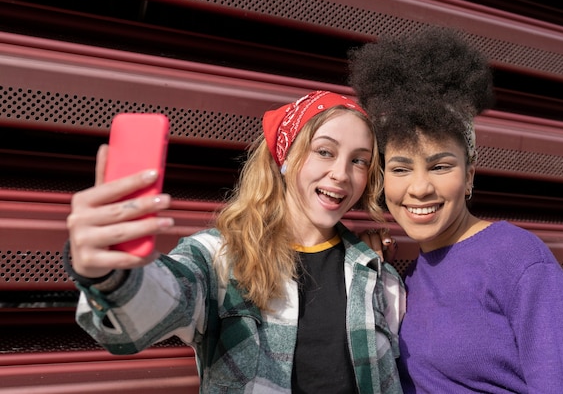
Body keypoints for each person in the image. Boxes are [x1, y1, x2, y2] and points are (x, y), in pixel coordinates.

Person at [64, 90, 406, 393]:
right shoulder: (218, 258)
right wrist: (109, 274)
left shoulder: (379, 277)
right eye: (324, 151)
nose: (341, 174)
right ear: (284, 159)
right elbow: (141, 319)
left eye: (358, 160)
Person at [348, 28, 563, 393]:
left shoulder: (519, 261)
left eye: (440, 166)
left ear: (469, 174)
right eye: (401, 168)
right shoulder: (408, 281)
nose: (419, 188)